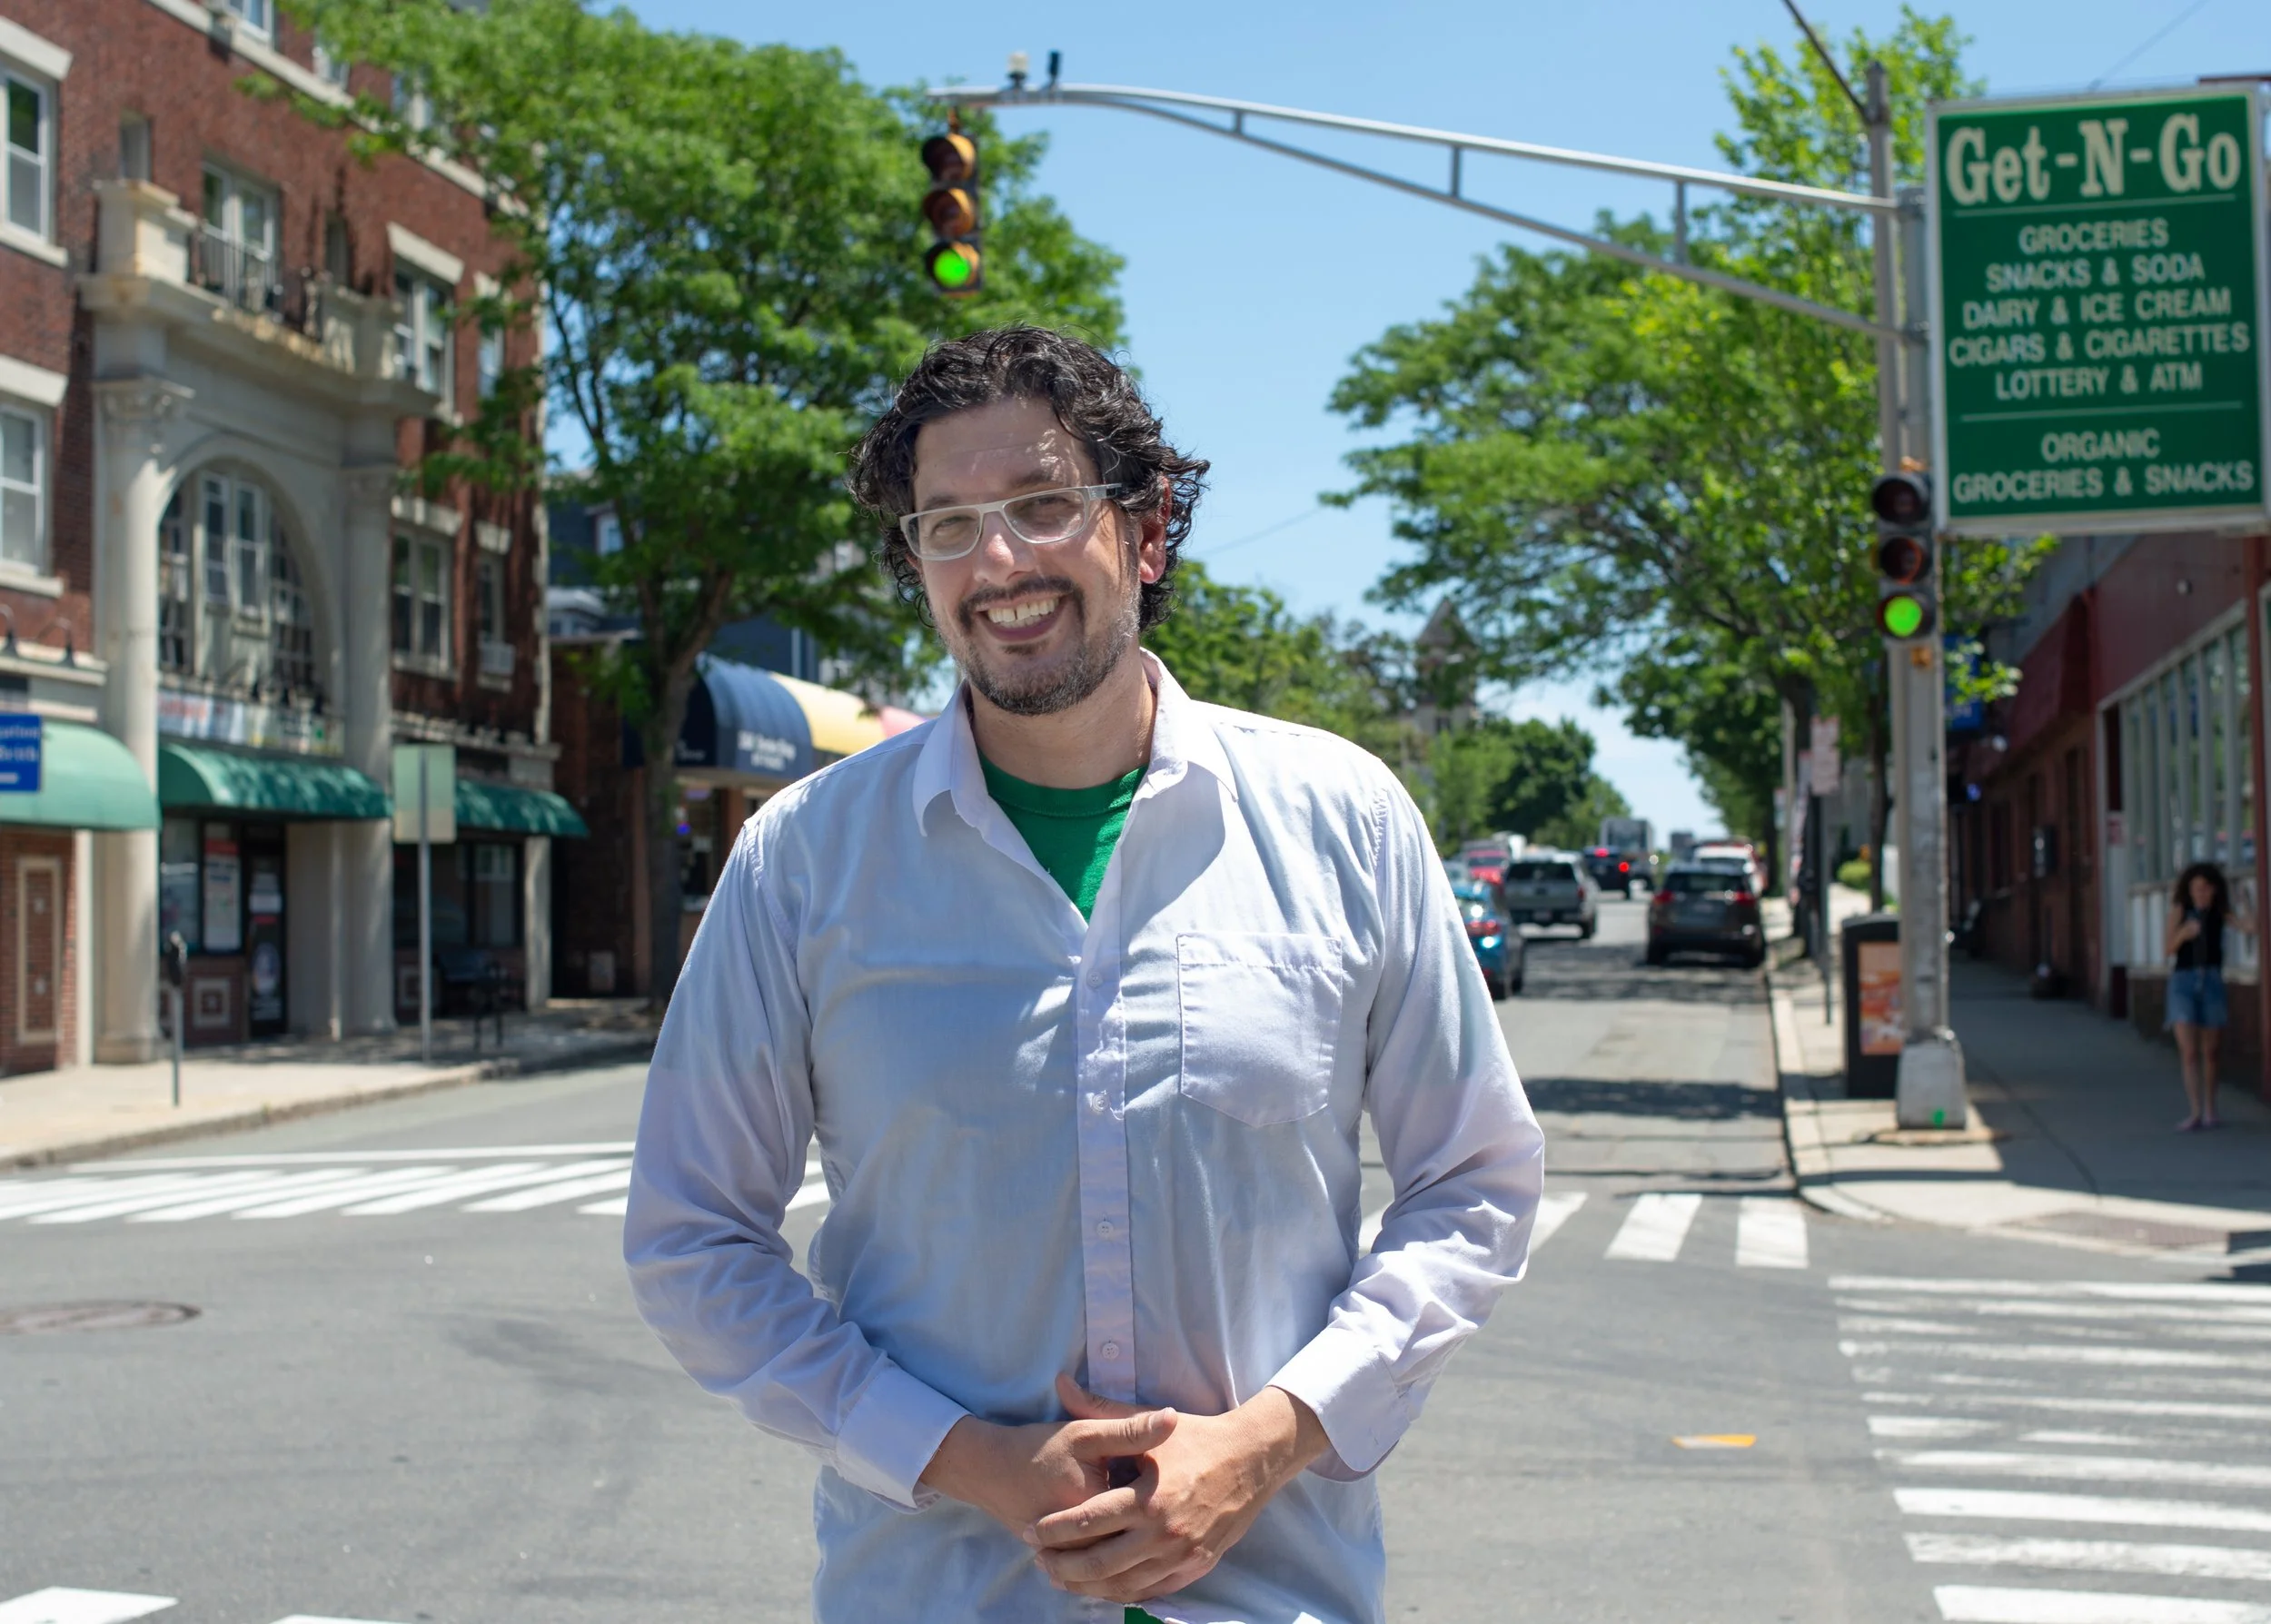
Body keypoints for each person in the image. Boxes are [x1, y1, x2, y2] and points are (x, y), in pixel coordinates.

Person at [623, 326, 1544, 1623]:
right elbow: (692, 1237)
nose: (998, 561)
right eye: (948, 525)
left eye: (1043, 505)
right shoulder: (804, 863)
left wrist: (1269, 1441)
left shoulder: (1347, 821)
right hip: (938, 1593)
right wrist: (967, 1462)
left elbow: (1476, 1184)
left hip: (1274, 1592)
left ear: (1147, 530)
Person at [2165, 860, 2255, 1131]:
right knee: (2189, 1051)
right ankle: (2194, 1111)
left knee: (2211, 1050)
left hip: (2212, 979)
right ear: (2188, 891)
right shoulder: (2180, 911)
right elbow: (2167, 948)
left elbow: (2250, 928)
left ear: (2214, 890)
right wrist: (2183, 933)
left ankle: (2211, 1110)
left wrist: (2246, 902)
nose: (2200, 894)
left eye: (2205, 889)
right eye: (2195, 890)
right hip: (2183, 980)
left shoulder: (2220, 912)